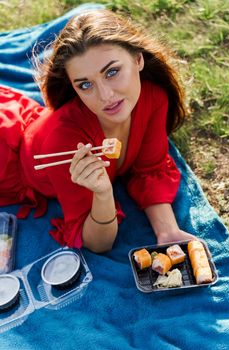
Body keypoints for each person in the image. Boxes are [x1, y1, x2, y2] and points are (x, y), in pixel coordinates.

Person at [0, 9, 196, 253]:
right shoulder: (66, 141)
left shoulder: (153, 96)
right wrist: (103, 195)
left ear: (138, 59)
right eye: (85, 85)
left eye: (112, 72)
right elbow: (97, 243)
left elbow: (149, 169)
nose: (105, 96)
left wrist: (167, 230)